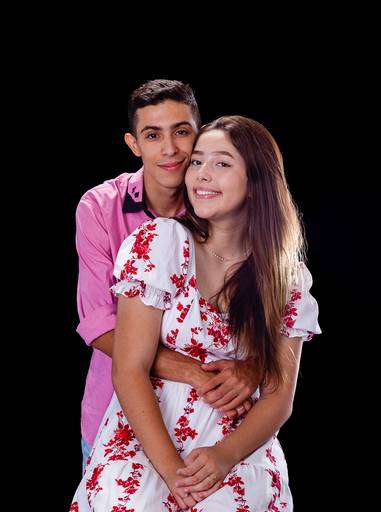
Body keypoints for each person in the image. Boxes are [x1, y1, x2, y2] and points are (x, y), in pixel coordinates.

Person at [70, 115, 321, 511]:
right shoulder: (162, 243)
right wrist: (173, 474)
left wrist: (224, 457)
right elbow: (129, 368)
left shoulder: (285, 278)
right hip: (148, 438)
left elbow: (279, 397)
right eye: (198, 161)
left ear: (257, 181)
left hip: (234, 446)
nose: (202, 174)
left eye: (222, 163)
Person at [75, 80, 262, 475]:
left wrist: (254, 367)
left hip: (214, 423)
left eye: (181, 132)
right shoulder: (99, 208)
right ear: (133, 144)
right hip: (116, 417)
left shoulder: (224, 204)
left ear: (200, 133)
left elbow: (265, 313)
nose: (170, 149)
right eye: (152, 135)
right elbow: (99, 324)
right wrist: (197, 373)